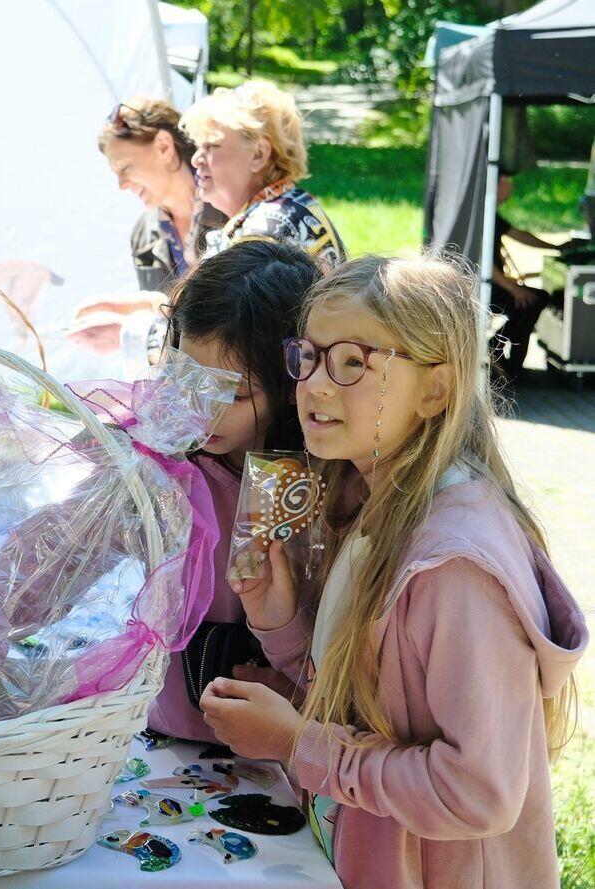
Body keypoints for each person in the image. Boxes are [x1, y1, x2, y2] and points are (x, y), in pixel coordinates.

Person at [201, 255, 587, 889]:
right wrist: (283, 626)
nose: (314, 386)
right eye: (309, 357)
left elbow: (478, 794)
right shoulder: (369, 503)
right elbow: (377, 707)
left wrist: (298, 745)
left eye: (353, 363)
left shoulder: (456, 567)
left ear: (435, 390)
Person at [0, 239, 319, 743]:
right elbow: (44, 559)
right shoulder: (159, 469)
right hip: (175, 729)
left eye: (234, 394)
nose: (202, 410)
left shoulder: (326, 485)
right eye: (184, 379)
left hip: (295, 743)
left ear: (294, 382)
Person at [69, 98, 228, 365]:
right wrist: (126, 310)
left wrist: (129, 332)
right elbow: (170, 318)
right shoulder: (142, 234)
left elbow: (230, 322)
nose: (121, 185)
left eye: (125, 168)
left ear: (164, 147)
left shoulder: (229, 210)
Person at [181, 80, 345, 269]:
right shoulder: (298, 203)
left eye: (211, 146)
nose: (196, 160)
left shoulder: (260, 236)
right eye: (199, 146)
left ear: (258, 154)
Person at [489, 171, 562, 383]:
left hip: (496, 283)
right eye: (508, 181)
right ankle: (508, 363)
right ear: (499, 183)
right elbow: (481, 262)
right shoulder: (482, 214)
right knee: (529, 303)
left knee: (534, 301)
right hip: (485, 286)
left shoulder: (491, 214)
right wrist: (513, 289)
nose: (511, 187)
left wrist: (555, 247)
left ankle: (501, 352)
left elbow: (518, 235)